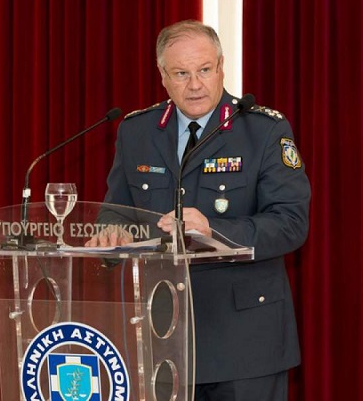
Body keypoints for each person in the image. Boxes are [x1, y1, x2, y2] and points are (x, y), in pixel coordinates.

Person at [100, 20, 310, 400]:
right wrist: (112, 231)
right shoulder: (137, 132)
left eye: (204, 70)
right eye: (181, 73)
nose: (195, 84)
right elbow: (116, 209)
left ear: (221, 68)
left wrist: (214, 230)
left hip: (245, 342)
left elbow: (291, 223)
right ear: (163, 76)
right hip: (162, 334)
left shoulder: (263, 130)